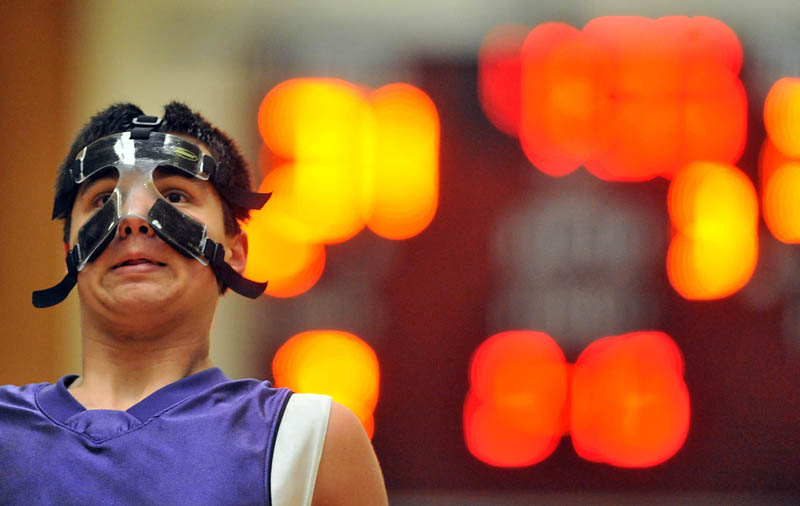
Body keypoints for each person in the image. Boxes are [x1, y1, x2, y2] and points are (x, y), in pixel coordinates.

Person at [0, 102, 388, 505]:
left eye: (174, 195)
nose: (133, 219)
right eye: (101, 200)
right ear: (70, 253)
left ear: (235, 253)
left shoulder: (309, 440)